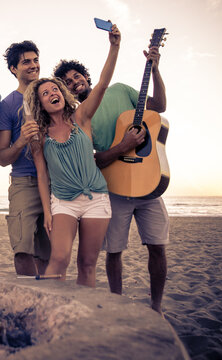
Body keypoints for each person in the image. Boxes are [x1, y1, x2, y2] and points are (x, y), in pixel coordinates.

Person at [53, 37, 168, 312]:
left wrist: (154, 69)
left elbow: (160, 106)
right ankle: (116, 303)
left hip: (150, 181)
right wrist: (123, 146)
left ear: (87, 75)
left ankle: (157, 306)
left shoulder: (120, 90)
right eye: (67, 81)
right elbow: (91, 161)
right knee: (114, 251)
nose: (74, 81)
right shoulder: (77, 117)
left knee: (158, 247)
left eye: (76, 75)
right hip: (113, 187)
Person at [24, 25, 121, 287]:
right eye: (45, 93)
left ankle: (80, 318)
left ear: (63, 94)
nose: (52, 93)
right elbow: (42, 175)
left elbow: (102, 83)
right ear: (41, 104)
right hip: (63, 202)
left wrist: (114, 47)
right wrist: (47, 211)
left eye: (55, 90)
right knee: (59, 258)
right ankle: (48, 313)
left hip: (96, 199)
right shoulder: (39, 135)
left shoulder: (81, 117)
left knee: (87, 264)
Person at [0, 40, 51, 276]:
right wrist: (21, 141)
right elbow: (3, 158)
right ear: (13, 69)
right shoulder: (7, 105)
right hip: (24, 183)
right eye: (26, 61)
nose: (33, 65)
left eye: (35, 60)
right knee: (22, 250)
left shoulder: (50, 95)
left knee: (50, 252)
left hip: (54, 184)